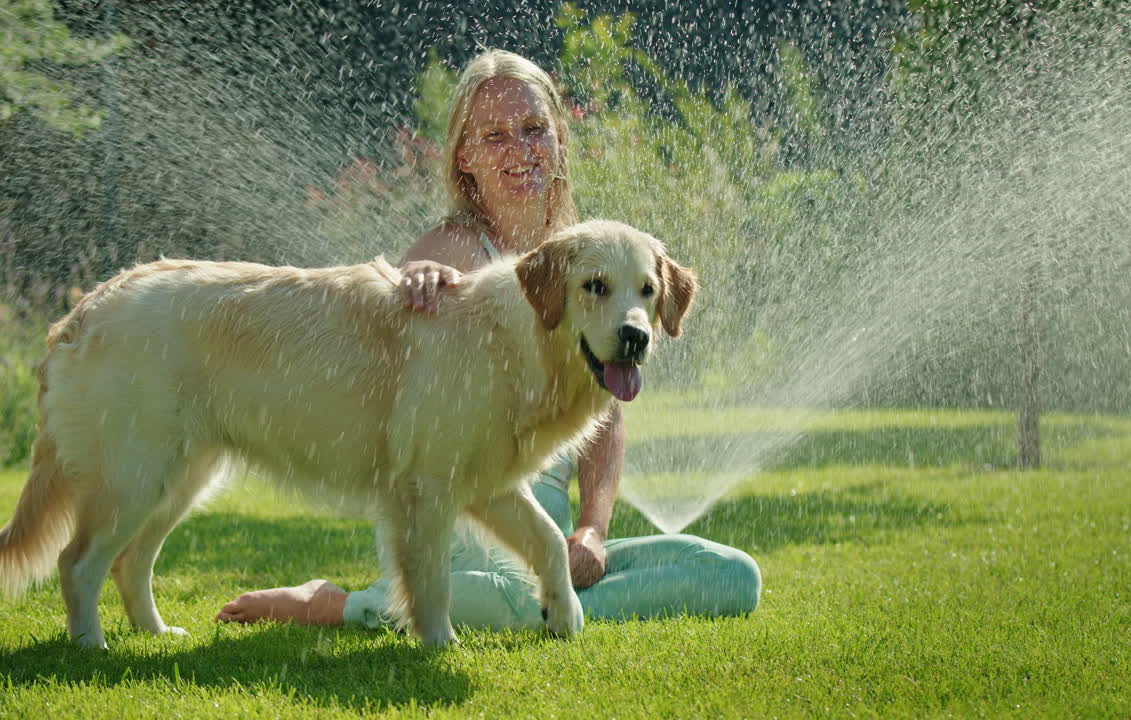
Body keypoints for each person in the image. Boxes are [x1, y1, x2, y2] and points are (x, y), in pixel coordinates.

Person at [216, 50, 760, 630]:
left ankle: (549, 602)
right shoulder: (446, 255)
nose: (519, 149)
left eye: (533, 130)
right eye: (494, 136)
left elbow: (609, 417)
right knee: (521, 606)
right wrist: (410, 282)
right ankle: (343, 605)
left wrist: (592, 532)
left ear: (558, 141)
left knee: (731, 573)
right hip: (458, 539)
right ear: (465, 158)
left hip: (541, 538)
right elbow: (390, 377)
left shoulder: (593, 264)